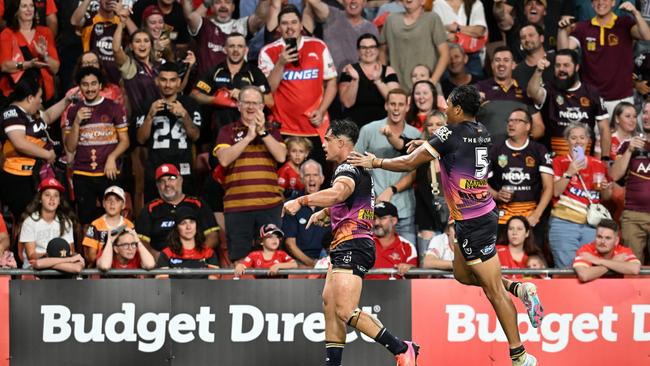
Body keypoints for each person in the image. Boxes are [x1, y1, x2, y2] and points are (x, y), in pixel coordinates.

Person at [348, 85, 541, 365]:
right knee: (463, 275)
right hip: (472, 216)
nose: (445, 108)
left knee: (492, 291)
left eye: (448, 105)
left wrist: (374, 160)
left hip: (474, 220)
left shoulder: (450, 133)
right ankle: (520, 289)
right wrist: (424, 145)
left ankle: (520, 355)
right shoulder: (480, 130)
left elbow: (410, 164)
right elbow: (449, 152)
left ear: (458, 110)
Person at [282, 118, 420, 366]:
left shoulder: (346, 168)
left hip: (354, 244)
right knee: (330, 304)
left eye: (327, 139)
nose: (323, 145)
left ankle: (402, 348)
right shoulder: (358, 167)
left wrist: (301, 201)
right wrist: (325, 213)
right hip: (345, 243)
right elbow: (355, 199)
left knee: (345, 310)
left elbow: (339, 193)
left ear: (340, 142)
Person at [214, 86, 286, 262]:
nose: (251, 107)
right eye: (246, 102)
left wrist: (262, 132)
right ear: (238, 105)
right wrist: (247, 137)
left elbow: (281, 156)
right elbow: (223, 159)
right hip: (238, 207)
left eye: (255, 103)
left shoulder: (272, 130)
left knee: (272, 258)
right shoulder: (227, 131)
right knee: (239, 260)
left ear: (262, 106)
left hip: (269, 206)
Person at [259, 5, 337, 165]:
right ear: (279, 27)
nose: (289, 27)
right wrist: (280, 63)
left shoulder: (318, 46)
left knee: (316, 178)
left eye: (293, 22)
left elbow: (332, 83)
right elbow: (266, 91)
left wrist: (321, 111)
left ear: (301, 25)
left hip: (314, 125)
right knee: (285, 181)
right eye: (285, 23)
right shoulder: (268, 52)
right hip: (283, 128)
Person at [557, 0, 650, 116]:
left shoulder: (625, 23)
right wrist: (561, 30)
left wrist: (635, 13)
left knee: (623, 134)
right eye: (596, 0)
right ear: (591, 4)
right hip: (591, 99)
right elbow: (563, 52)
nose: (600, 2)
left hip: (621, 99)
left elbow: (647, 36)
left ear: (613, 3)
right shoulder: (583, 27)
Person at [63, 67, 129, 226]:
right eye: (85, 84)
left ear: (100, 85)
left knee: (114, 218)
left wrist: (112, 157)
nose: (90, 88)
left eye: (93, 84)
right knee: (86, 222)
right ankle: (87, 251)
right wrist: (77, 122)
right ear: (79, 87)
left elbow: (125, 141)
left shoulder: (114, 107)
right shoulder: (72, 111)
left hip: (108, 173)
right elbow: (70, 147)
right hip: (82, 174)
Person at [355, 89, 421, 245]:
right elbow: (354, 163)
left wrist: (391, 190)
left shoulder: (415, 134)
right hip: (372, 211)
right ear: (386, 106)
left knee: (408, 261)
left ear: (407, 107)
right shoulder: (368, 130)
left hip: (404, 210)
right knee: (372, 260)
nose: (396, 108)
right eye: (392, 104)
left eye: (400, 104)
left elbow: (416, 172)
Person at [548, 123, 611, 268]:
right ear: (567, 140)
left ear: (588, 140)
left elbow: (606, 197)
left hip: (591, 225)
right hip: (565, 223)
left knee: (589, 268)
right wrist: (569, 172)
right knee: (566, 269)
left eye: (582, 137)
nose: (578, 141)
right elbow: (555, 192)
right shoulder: (558, 161)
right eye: (573, 137)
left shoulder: (598, 164)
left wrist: (606, 189)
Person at [527, 48, 610, 157]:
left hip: (584, 159)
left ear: (576, 67)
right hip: (554, 160)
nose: (561, 69)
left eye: (566, 65)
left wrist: (605, 158)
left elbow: (604, 129)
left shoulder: (591, 93)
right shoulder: (550, 90)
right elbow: (532, 93)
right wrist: (538, 71)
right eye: (558, 65)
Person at [487, 108, 553, 245]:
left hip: (531, 216)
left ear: (528, 126)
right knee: (502, 259)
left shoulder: (539, 150)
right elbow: (479, 183)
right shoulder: (495, 150)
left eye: (516, 121)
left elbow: (548, 187)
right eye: (509, 121)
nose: (511, 124)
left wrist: (537, 214)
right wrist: (496, 195)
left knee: (533, 259)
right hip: (503, 217)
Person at [138, 62, 201, 202]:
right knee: (154, 212)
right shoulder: (148, 104)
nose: (168, 85)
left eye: (172, 80)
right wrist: (149, 116)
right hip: (155, 168)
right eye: (163, 80)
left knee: (186, 212)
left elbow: (195, 136)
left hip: (183, 169)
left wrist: (184, 115)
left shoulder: (190, 104)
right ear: (156, 81)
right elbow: (141, 139)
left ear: (179, 82)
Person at [191, 32, 270, 139]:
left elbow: (270, 101)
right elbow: (194, 95)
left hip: (248, 133)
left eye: (240, 46)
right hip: (218, 132)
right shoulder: (215, 71)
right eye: (232, 46)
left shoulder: (255, 72)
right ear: (225, 49)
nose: (236, 50)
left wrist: (244, 95)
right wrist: (214, 100)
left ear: (246, 50)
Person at [136, 163, 219, 259]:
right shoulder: (150, 208)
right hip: (162, 265)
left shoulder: (197, 204)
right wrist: (156, 256)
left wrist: (195, 255)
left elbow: (213, 237)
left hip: (195, 262)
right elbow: (140, 241)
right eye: (162, 181)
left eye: (171, 178)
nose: (167, 184)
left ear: (180, 180)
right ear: (157, 185)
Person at [0, 76, 55, 219]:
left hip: (31, 175)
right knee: (26, 222)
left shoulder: (30, 115)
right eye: (40, 97)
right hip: (16, 177)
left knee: (35, 221)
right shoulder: (12, 112)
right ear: (30, 98)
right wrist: (47, 154)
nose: (41, 101)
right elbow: (20, 143)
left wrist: (67, 100)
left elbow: (48, 116)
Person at [474, 46, 544, 145]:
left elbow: (539, 125)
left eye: (506, 60)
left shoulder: (525, 92)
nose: (501, 64)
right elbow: (461, 117)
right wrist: (472, 102)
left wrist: (525, 139)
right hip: (486, 150)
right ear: (492, 65)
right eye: (497, 60)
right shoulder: (479, 88)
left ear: (514, 65)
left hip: (517, 154)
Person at [182, 0, 269, 77]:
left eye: (228, 2)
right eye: (218, 2)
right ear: (211, 7)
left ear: (233, 7)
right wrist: (205, 3)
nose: (223, 6)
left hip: (235, 85)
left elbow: (260, 18)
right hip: (206, 84)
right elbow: (190, 17)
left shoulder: (242, 25)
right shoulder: (204, 25)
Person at [609, 105, 650, 264]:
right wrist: (630, 150)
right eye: (645, 113)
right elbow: (614, 175)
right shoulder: (628, 145)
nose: (646, 117)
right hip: (633, 216)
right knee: (631, 268)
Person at [379, 0, 449, 91]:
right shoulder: (391, 19)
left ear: (423, 1)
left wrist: (432, 82)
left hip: (426, 90)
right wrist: (386, 79)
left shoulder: (432, 18)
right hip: (398, 91)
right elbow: (382, 50)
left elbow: (445, 54)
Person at [0, 0, 59, 102]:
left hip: (44, 95)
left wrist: (45, 56)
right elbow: (5, 66)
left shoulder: (45, 32)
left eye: (31, 6)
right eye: (24, 6)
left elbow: (55, 68)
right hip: (16, 95)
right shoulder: (7, 34)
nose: (29, 9)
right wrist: (28, 64)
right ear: (16, 11)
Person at [338, 33, 400, 128]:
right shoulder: (349, 70)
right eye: (364, 48)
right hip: (354, 126)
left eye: (372, 47)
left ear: (377, 50)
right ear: (358, 51)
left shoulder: (388, 71)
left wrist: (378, 81)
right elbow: (347, 103)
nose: (368, 51)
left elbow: (395, 101)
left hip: (382, 127)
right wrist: (355, 80)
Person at [307, 0, 379, 73]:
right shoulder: (332, 15)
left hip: (358, 80)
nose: (353, 1)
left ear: (364, 2)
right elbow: (313, 1)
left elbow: (375, 60)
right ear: (343, 1)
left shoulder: (371, 28)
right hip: (330, 79)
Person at [19, 178, 76, 268]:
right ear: (40, 199)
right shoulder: (30, 222)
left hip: (60, 265)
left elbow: (70, 251)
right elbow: (31, 255)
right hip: (34, 266)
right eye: (47, 195)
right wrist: (51, 256)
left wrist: (55, 259)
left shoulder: (66, 222)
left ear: (59, 201)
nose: (52, 199)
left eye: (56, 195)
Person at [282, 159, 329, 267]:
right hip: (301, 262)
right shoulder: (292, 204)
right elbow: (290, 243)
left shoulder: (330, 202)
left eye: (315, 175)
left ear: (322, 179)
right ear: (301, 179)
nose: (311, 179)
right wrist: (311, 264)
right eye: (307, 175)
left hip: (328, 260)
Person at [156, 205, 220, 279]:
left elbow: (213, 283)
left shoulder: (208, 252)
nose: (188, 227)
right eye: (183, 223)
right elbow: (162, 284)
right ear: (176, 228)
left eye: (192, 222)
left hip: (202, 290)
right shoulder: (167, 253)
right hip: (175, 290)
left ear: (196, 225)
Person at [572, 219, 641, 282]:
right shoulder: (586, 250)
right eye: (599, 237)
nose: (602, 242)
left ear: (616, 241)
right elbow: (584, 275)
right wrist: (613, 262)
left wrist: (599, 261)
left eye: (608, 238)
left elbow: (635, 268)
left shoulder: (622, 251)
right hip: (591, 292)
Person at [71, 0, 123, 83]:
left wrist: (124, 17)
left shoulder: (122, 21)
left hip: (117, 79)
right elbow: (74, 21)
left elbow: (136, 34)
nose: (109, 1)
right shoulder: (91, 17)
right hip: (92, 78)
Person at [82, 186, 134, 267]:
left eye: (117, 200)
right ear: (103, 203)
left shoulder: (129, 225)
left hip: (123, 268)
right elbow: (91, 257)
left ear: (123, 205)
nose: (112, 203)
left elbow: (133, 252)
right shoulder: (95, 225)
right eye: (109, 200)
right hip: (101, 269)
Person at [433, 0, 488, 77]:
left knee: (476, 86)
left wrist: (455, 28)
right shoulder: (438, 4)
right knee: (449, 87)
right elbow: (438, 34)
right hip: (448, 56)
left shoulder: (475, 3)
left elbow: (479, 31)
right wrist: (467, 32)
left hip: (471, 56)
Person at [367, 201, 417, 280]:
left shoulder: (407, 246)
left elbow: (415, 275)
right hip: (364, 290)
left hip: (396, 290)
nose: (376, 223)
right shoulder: (363, 242)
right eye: (374, 218)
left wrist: (408, 268)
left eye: (382, 218)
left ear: (394, 221)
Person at [512, 23, 553, 93]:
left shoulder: (556, 59)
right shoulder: (517, 72)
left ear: (541, 38)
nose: (527, 40)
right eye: (523, 37)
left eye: (531, 35)